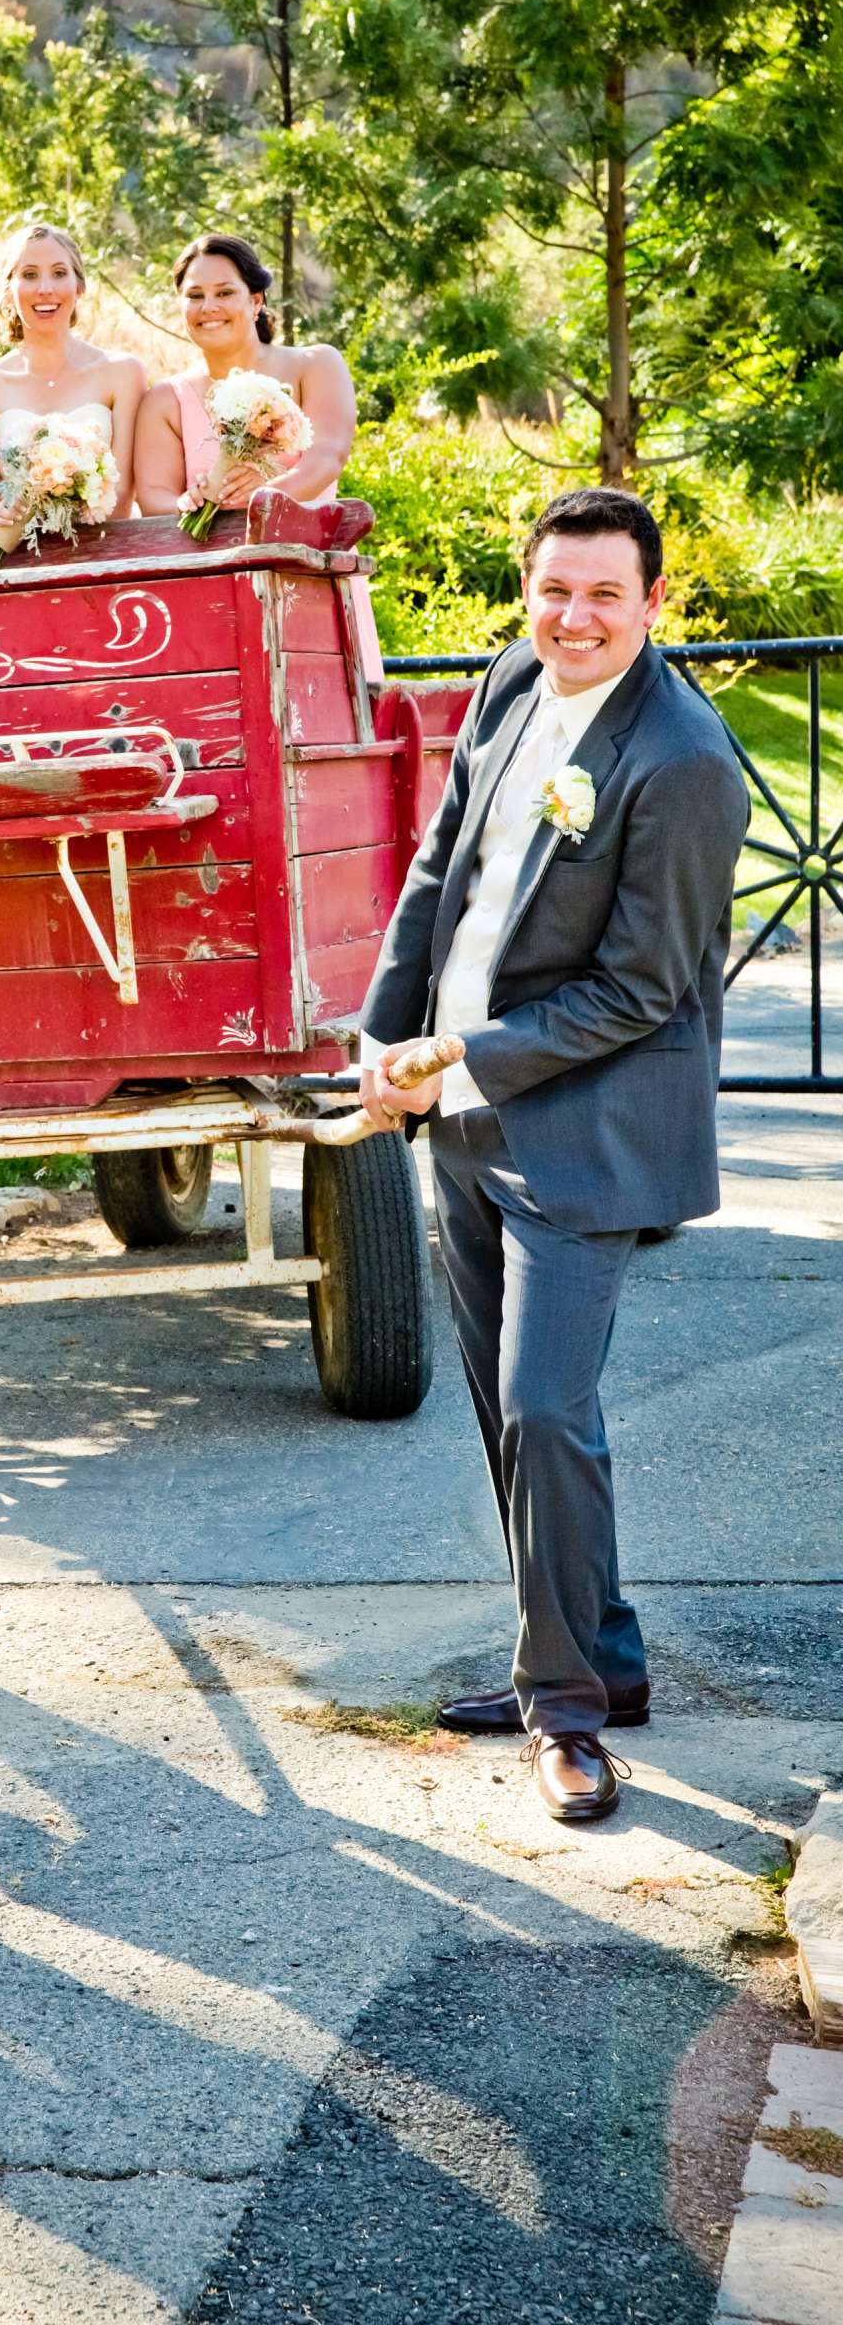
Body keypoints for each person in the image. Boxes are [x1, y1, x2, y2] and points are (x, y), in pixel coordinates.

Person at [359, 487, 748, 1827]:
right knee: (512, 1420)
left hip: (586, 1136)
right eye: (555, 590)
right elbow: (439, 872)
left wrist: (462, 1057)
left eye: (604, 597)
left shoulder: (686, 761)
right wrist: (385, 1036)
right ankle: (603, 1651)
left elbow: (645, 989)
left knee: (542, 1406)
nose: (573, 619)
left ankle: (567, 1713)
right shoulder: (512, 680)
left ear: (653, 605)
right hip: (461, 1112)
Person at [133, 232, 356, 518]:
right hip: (211, 559)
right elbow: (154, 497)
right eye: (195, 296)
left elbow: (327, 458)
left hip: (304, 556)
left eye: (224, 293)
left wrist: (267, 494)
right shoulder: (164, 401)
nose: (208, 307)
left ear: (256, 301)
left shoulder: (315, 365)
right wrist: (192, 505)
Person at [0, 222, 144, 530]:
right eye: (29, 275)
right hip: (12, 553)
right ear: (9, 291)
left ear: (79, 286)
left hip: (104, 547)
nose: (45, 288)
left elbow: (122, 494)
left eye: (59, 273)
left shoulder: (123, 373)